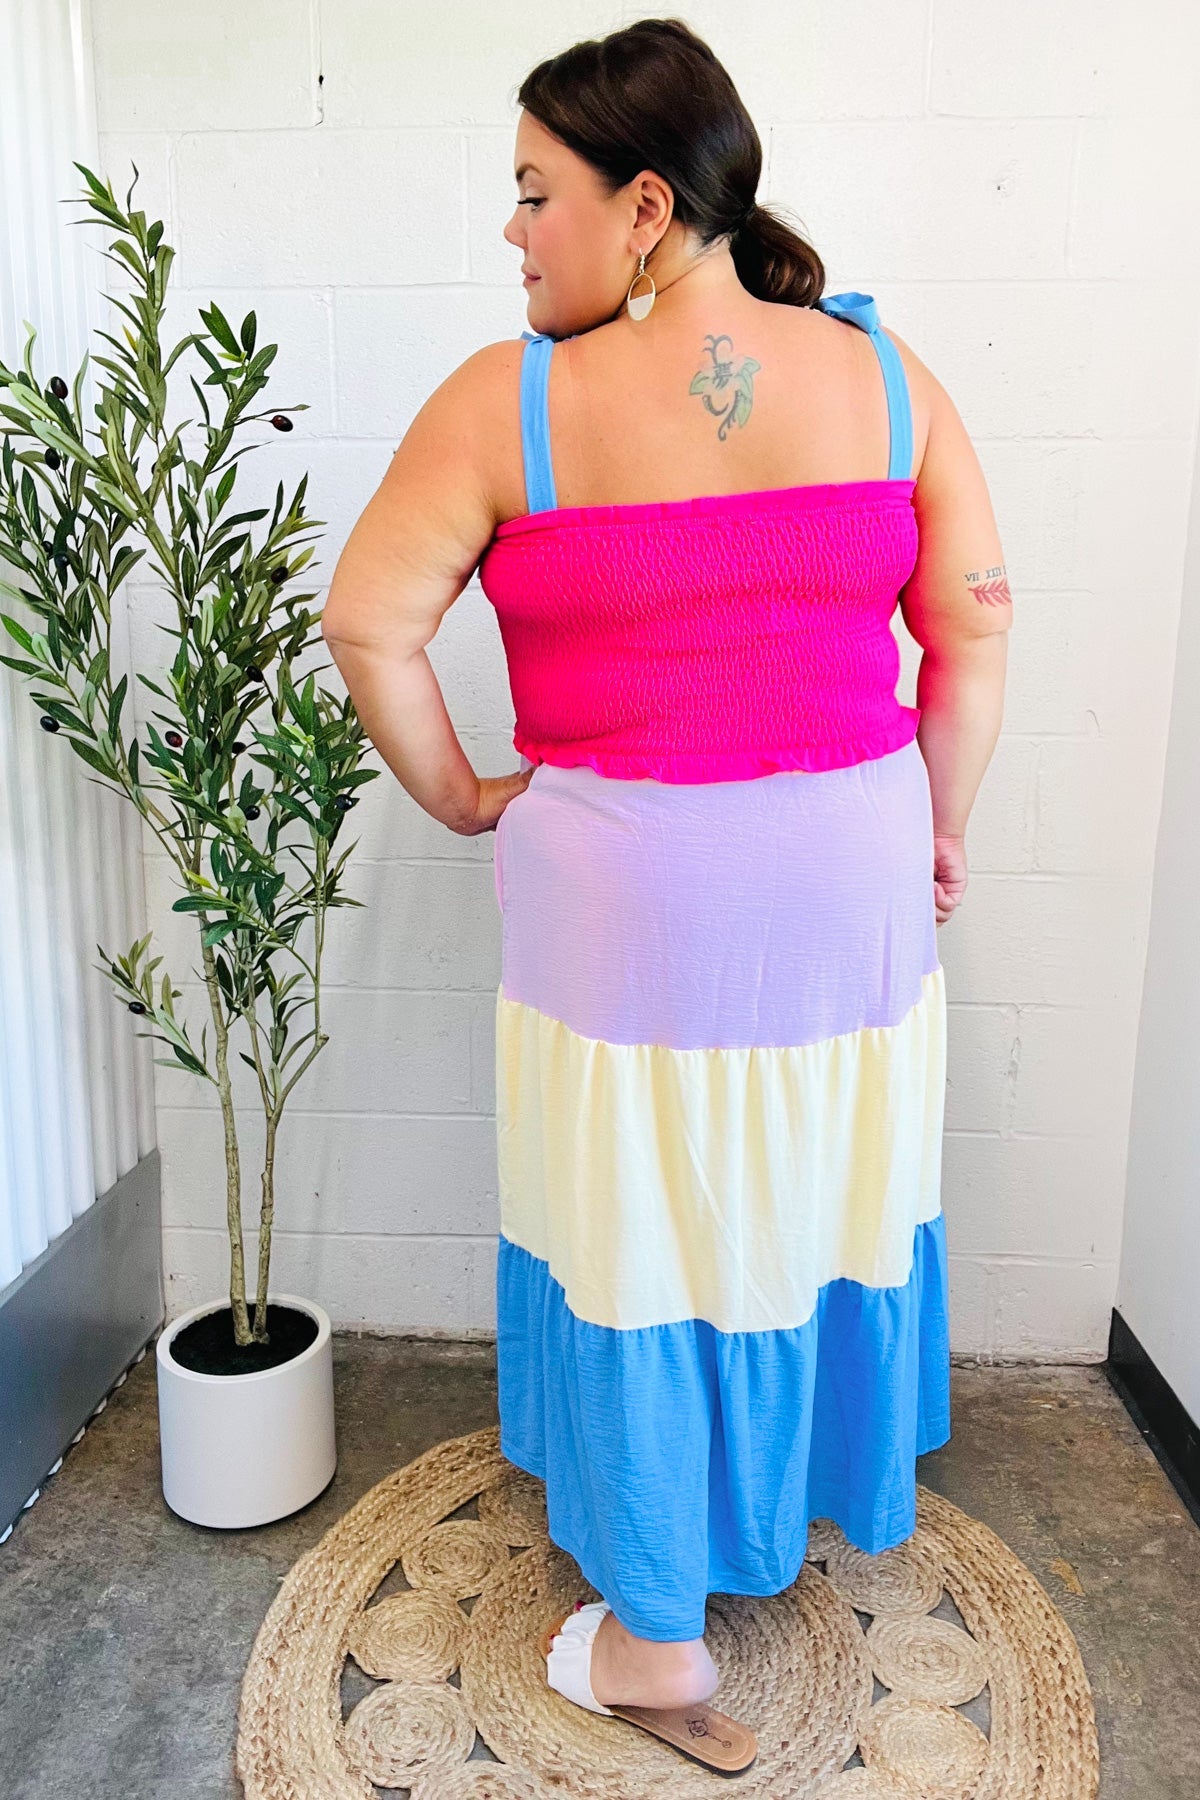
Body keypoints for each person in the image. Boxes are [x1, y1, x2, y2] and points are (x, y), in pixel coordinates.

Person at [323, 16, 1010, 1776]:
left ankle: (651, 1634)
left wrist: (467, 795)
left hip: (626, 906)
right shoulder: (883, 375)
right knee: (808, 1198)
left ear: (643, 208)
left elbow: (367, 623)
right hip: (848, 890)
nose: (511, 232)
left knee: (644, 1218)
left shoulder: (511, 405)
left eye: (533, 192)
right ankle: (776, 1500)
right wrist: (934, 824)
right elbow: (974, 624)